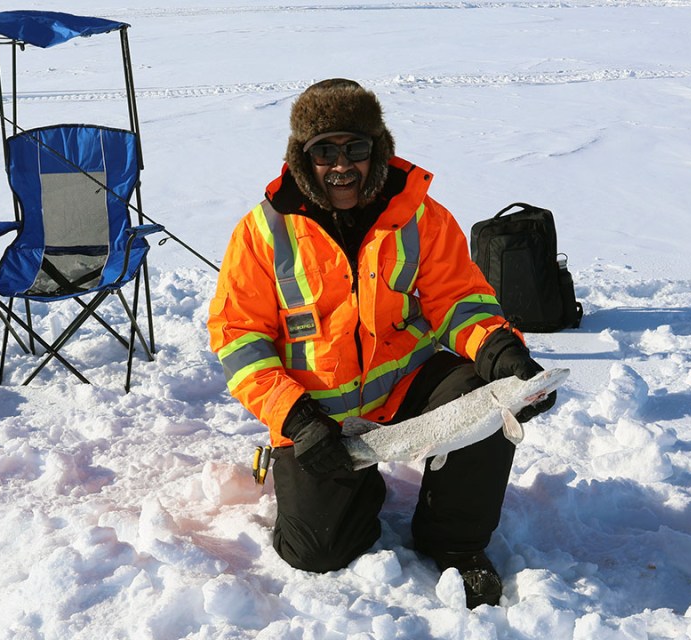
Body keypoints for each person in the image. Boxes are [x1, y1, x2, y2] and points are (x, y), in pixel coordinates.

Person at [207, 78, 555, 608]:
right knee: (316, 552)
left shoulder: (419, 215)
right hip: (317, 415)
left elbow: (459, 300)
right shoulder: (262, 232)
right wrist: (297, 421)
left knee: (486, 398)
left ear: (379, 150)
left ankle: (455, 542)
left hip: (406, 387)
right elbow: (240, 340)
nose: (341, 164)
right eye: (324, 150)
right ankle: (350, 483)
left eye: (356, 148)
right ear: (302, 158)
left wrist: (502, 356)